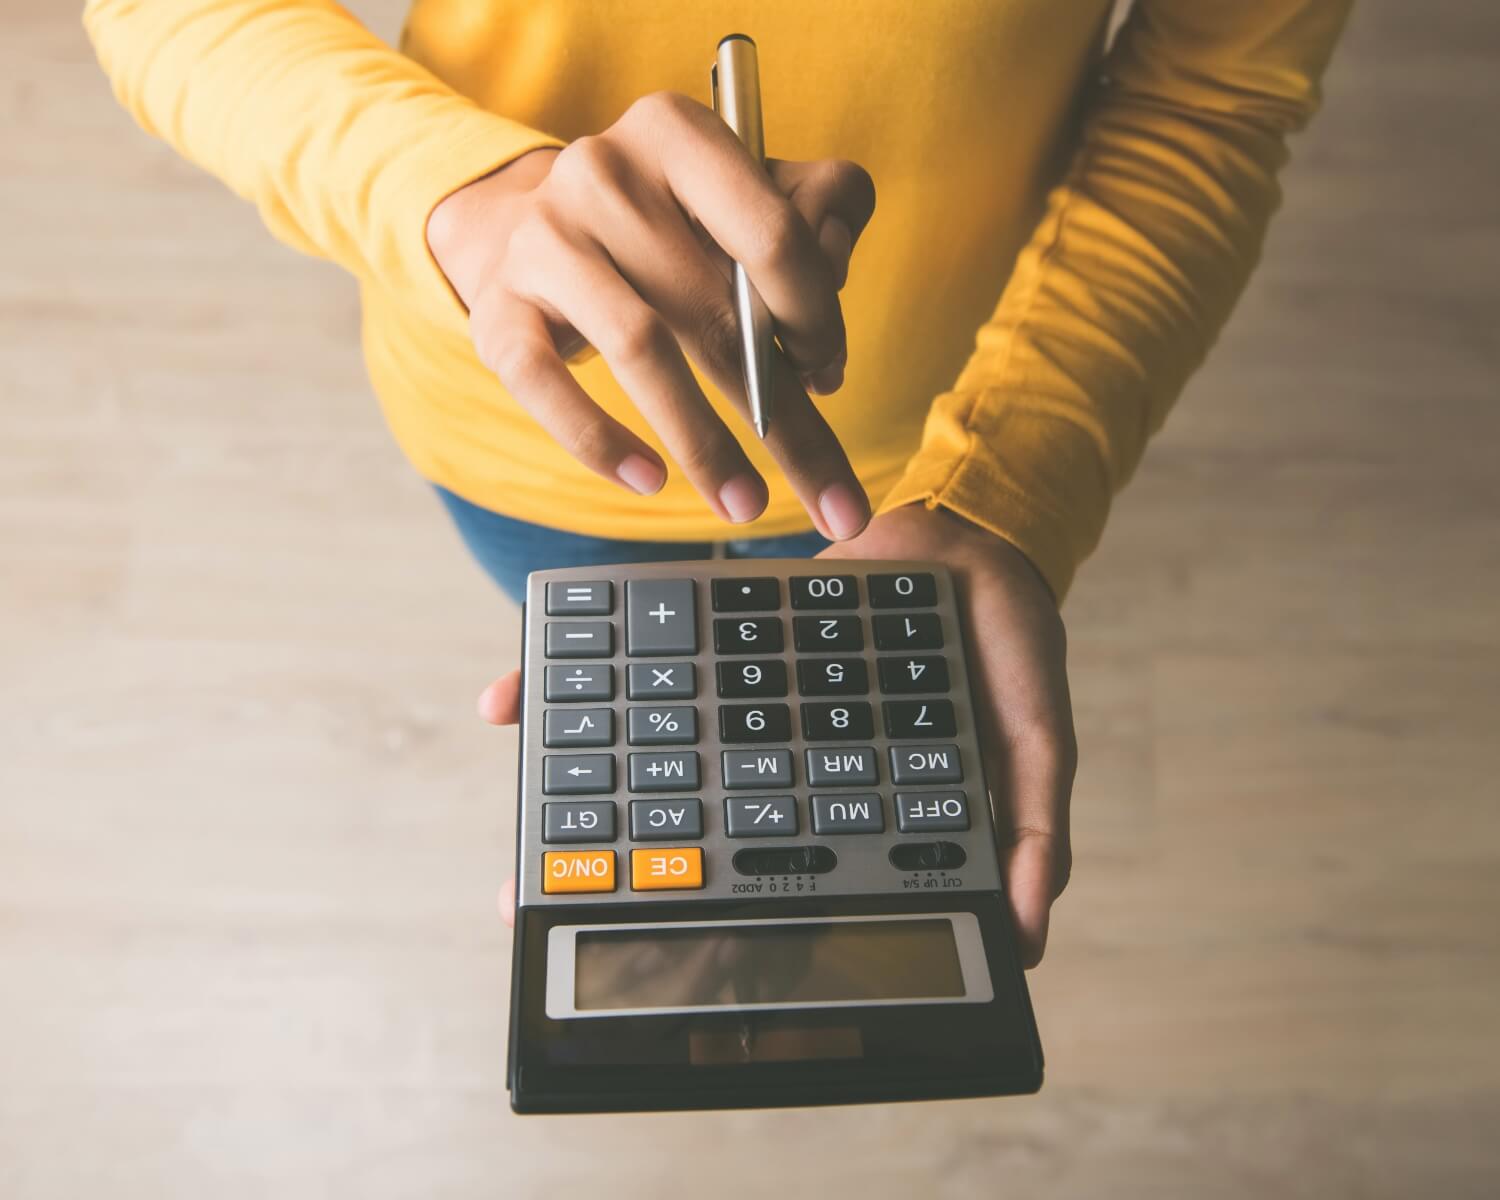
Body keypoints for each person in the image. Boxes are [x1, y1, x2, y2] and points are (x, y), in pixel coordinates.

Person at [84, 0, 1350, 967]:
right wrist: (457, 192)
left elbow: (1210, 103)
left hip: (934, 457)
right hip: (541, 431)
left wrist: (1012, 479)